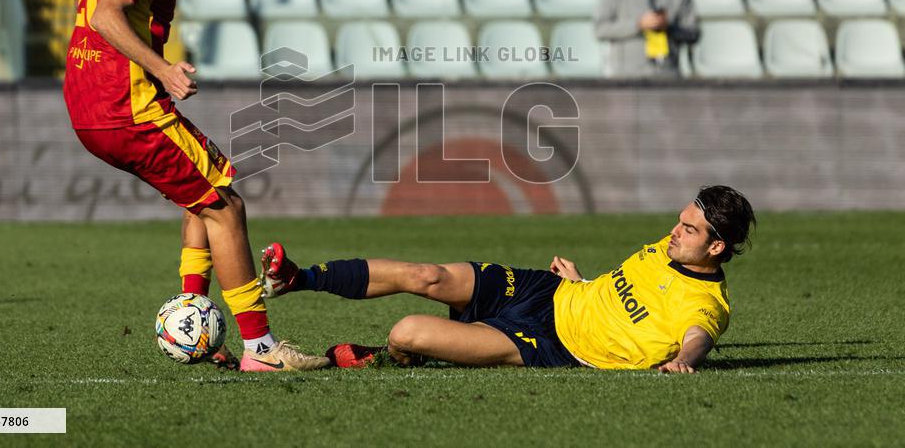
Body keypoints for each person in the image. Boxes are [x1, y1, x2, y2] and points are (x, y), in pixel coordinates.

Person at [63, 0, 327, 372]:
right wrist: (162, 68)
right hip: (127, 106)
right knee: (226, 209)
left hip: (88, 100)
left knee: (209, 184)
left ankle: (193, 314)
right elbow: (105, 13)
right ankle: (261, 348)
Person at [260, 185, 755, 372]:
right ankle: (297, 278)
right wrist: (582, 285)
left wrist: (684, 363)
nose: (675, 230)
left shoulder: (706, 303)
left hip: (552, 344)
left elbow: (698, 336)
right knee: (426, 275)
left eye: (688, 229)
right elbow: (629, 291)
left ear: (715, 247)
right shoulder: (665, 249)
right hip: (550, 290)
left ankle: (386, 359)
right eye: (680, 218)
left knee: (406, 331)